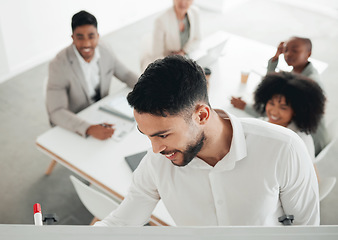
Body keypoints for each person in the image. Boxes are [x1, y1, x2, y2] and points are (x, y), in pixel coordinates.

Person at [94, 55, 319, 226]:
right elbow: (122, 223)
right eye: (148, 136)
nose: (155, 150)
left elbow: (306, 229)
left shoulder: (284, 148)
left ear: (201, 115)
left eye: (162, 135)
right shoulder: (157, 163)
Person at [46, 10, 138, 140]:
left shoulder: (105, 49)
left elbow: (126, 74)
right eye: (80, 37)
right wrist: (88, 128)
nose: (86, 44)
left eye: (91, 36)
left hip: (103, 112)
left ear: (98, 36)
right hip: (76, 121)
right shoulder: (58, 64)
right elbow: (56, 111)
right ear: (72, 38)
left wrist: (148, 89)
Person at [231, 37, 328, 155]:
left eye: (295, 51)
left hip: (311, 138)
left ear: (308, 54)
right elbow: (272, 88)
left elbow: (280, 114)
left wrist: (245, 107)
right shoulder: (298, 71)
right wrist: (276, 57)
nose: (288, 54)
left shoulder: (309, 83)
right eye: (285, 50)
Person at [253, 71, 325, 165]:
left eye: (283, 108)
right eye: (271, 103)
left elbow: (309, 172)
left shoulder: (301, 140)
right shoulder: (259, 123)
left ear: (296, 111)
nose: (274, 111)